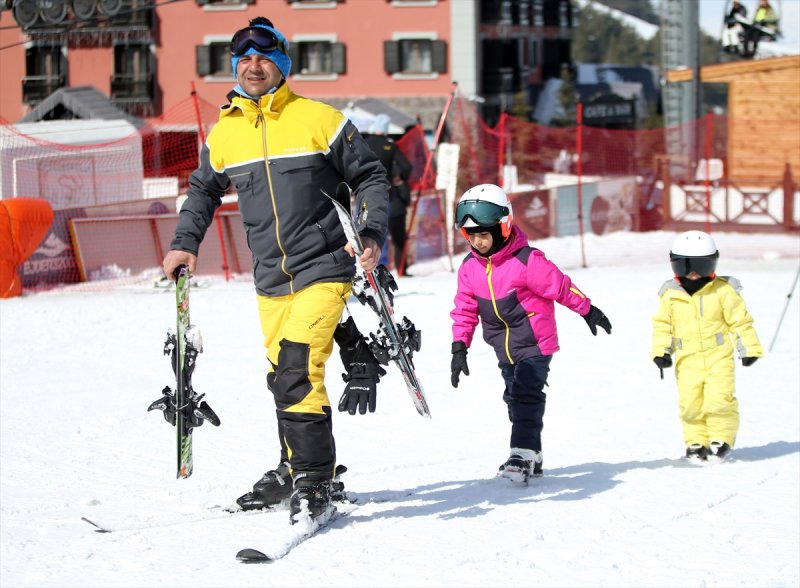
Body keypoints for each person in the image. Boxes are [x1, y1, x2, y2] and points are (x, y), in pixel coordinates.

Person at [161, 17, 391, 524]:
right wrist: (184, 245)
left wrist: (371, 233)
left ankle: (315, 481)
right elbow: (202, 191)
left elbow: (370, 175)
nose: (253, 66)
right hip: (270, 277)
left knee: (296, 370)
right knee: (283, 377)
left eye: (264, 58)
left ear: (282, 64)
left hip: (326, 267)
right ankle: (295, 466)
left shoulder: (318, 119)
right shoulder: (225, 134)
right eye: (244, 60)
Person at [449, 184, 612, 483]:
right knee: (513, 398)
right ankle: (532, 453)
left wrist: (588, 310)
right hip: (504, 348)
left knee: (525, 394)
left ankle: (520, 452)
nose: (478, 242)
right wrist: (460, 346)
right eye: (470, 235)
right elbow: (464, 308)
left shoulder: (527, 260)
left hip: (535, 344)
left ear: (502, 228)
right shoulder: (469, 267)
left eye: (483, 234)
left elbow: (562, 287)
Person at [651, 231, 763, 463]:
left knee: (719, 399)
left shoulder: (723, 290)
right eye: (686, 266)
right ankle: (696, 441)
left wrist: (749, 348)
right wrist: (661, 351)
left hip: (718, 356)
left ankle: (720, 438)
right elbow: (663, 325)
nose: (693, 273)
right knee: (690, 403)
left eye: (701, 266)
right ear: (674, 264)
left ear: (713, 262)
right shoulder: (670, 293)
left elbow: (740, 321)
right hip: (687, 358)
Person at [365, 113, 413, 276]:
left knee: (366, 231)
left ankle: (367, 268)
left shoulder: (364, 143)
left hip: (363, 193)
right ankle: (391, 268)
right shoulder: (390, 146)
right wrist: (400, 177)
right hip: (386, 193)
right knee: (386, 231)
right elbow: (406, 167)